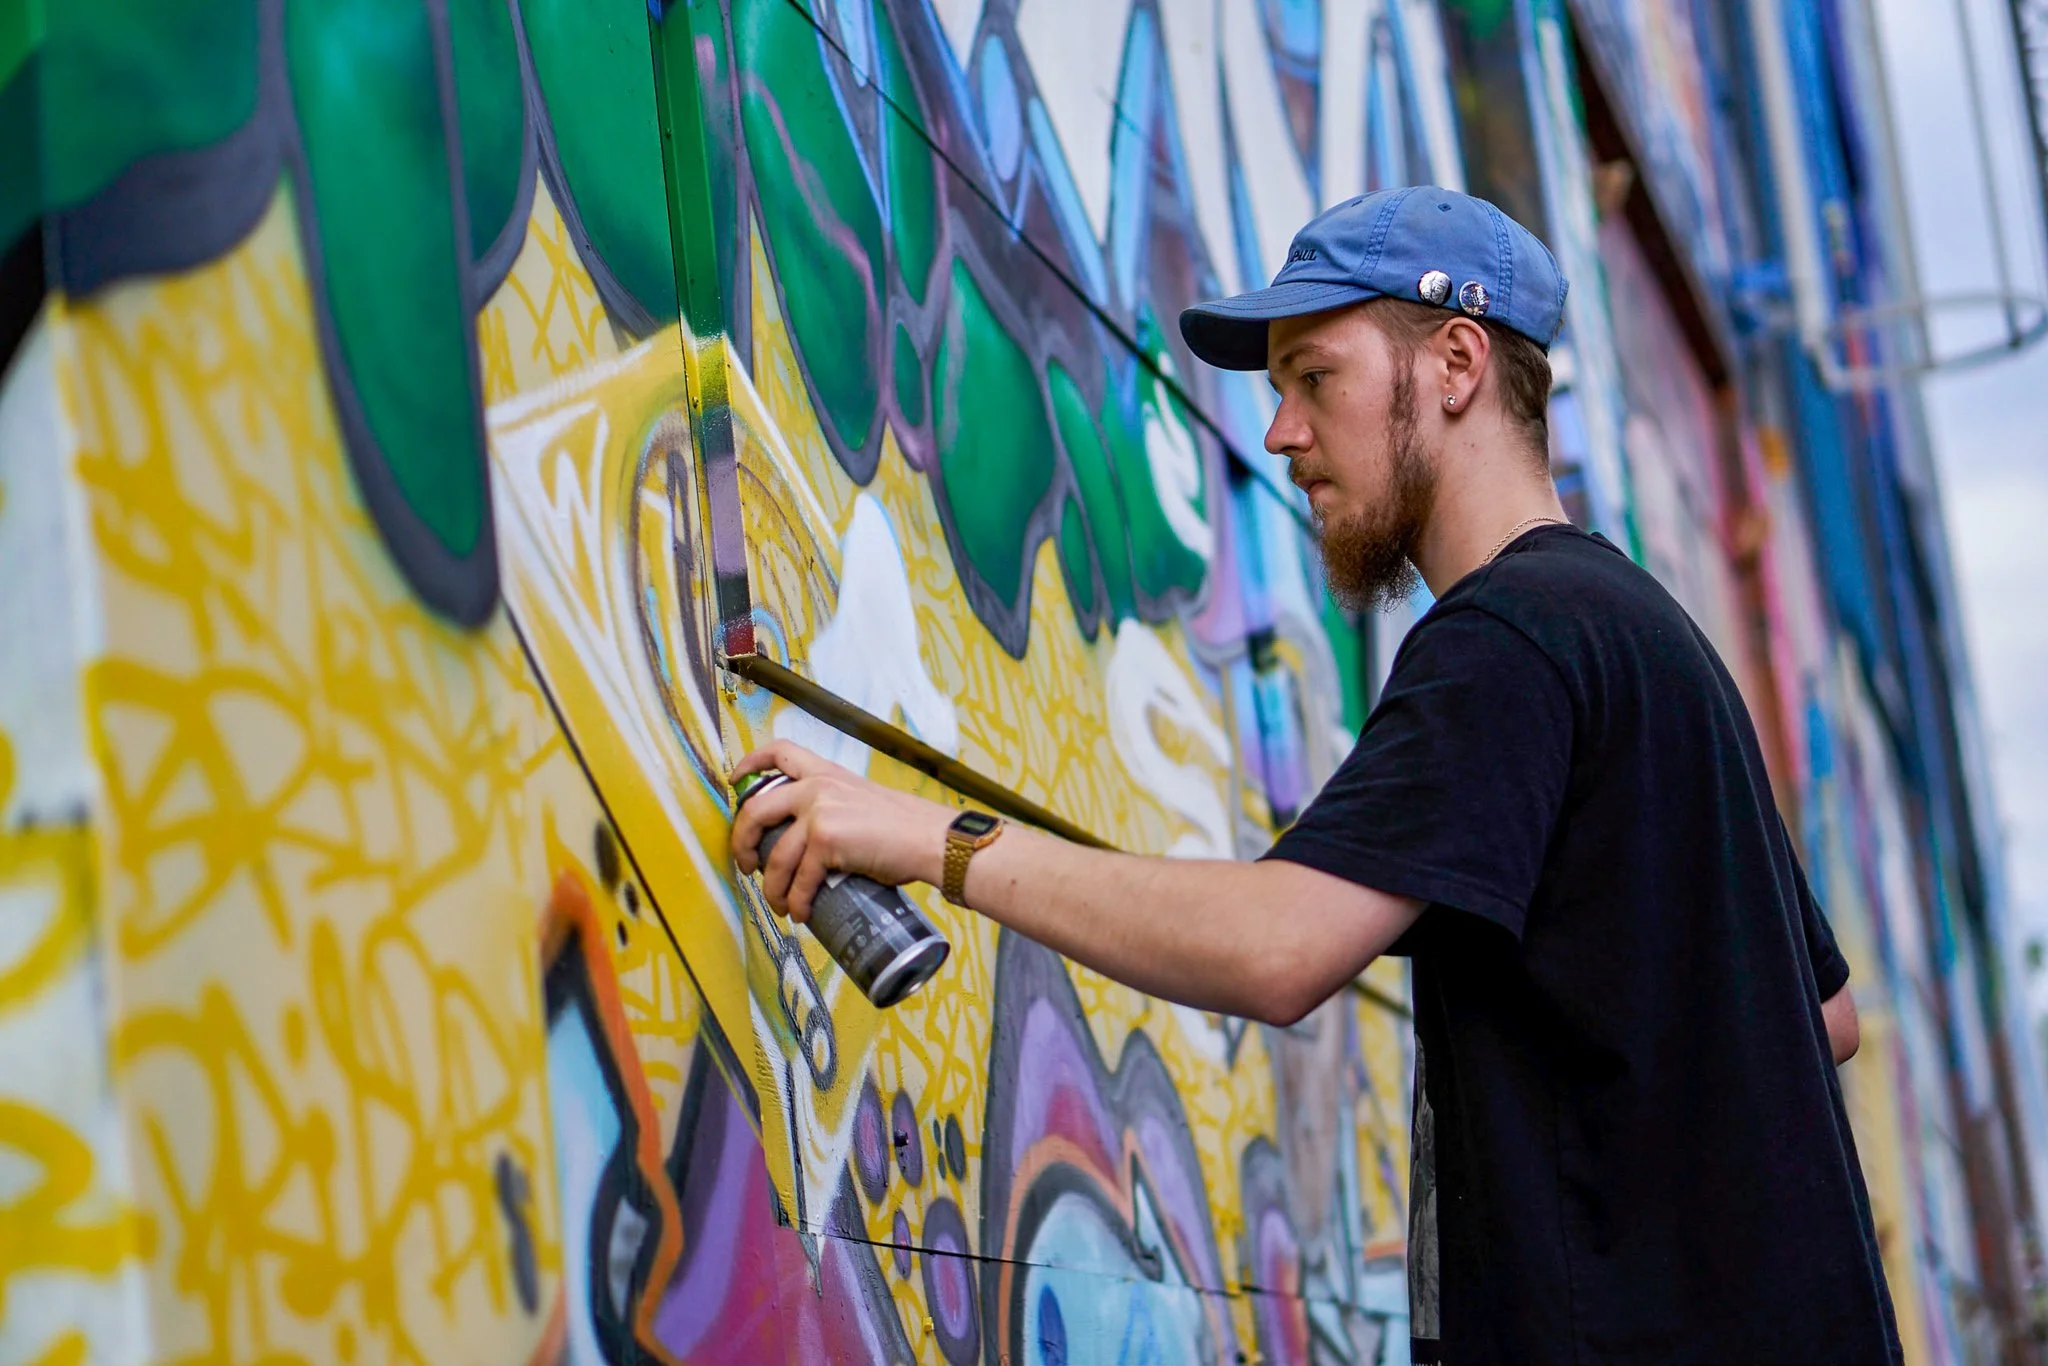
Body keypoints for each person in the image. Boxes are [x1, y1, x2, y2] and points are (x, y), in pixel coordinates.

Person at [729, 186, 1901, 1365]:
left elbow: (1276, 948)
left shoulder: (1508, 638)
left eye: (1312, 377)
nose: (1280, 431)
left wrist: (937, 840)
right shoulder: (1650, 639)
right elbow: (1825, 1015)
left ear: (1453, 363)